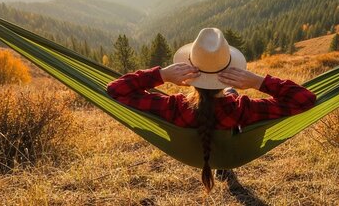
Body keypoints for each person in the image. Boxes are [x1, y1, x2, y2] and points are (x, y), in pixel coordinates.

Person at [106, 28, 316, 193]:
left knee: (225, 99)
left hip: (195, 137)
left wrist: (161, 75)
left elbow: (116, 90)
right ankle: (223, 160)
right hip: (230, 143)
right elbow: (305, 100)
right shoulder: (244, 109)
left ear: (190, 75)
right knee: (230, 94)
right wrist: (258, 82)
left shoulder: (173, 107)